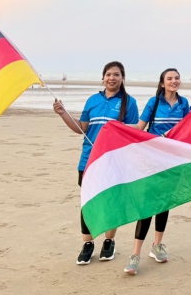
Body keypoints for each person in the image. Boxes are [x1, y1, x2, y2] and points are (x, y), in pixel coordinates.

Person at [53, 61, 139, 265]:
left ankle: (109, 241)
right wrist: (63, 113)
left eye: (116, 75)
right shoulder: (93, 100)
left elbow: (134, 131)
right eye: (108, 74)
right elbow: (81, 128)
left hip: (114, 160)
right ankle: (88, 244)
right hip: (89, 160)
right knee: (88, 201)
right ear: (103, 77)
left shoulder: (129, 102)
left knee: (112, 200)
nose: (112, 78)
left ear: (122, 78)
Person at [124, 68, 190, 275]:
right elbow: (140, 127)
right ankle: (135, 255)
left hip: (173, 162)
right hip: (152, 160)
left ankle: (157, 245)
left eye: (177, 78)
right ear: (162, 83)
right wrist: (117, 128)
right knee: (147, 205)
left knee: (164, 203)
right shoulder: (154, 103)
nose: (174, 81)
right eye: (169, 78)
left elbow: (188, 130)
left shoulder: (184, 103)